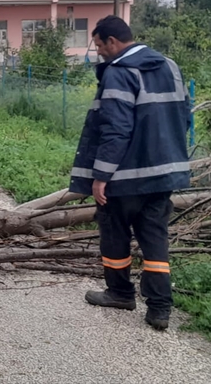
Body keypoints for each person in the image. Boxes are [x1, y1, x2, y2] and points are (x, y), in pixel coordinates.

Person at [69, 16, 191, 331]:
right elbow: (184, 116)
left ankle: (120, 292)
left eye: (98, 46)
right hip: (163, 174)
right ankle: (160, 308)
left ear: (112, 42)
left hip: (125, 177)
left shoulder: (119, 73)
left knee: (114, 233)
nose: (98, 53)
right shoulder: (170, 66)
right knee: (155, 239)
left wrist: (101, 176)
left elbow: (116, 130)